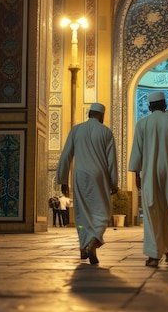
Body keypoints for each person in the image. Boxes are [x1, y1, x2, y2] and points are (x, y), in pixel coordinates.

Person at [129, 91, 168, 267]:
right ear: (165, 105)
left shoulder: (142, 124)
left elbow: (137, 153)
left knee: (152, 210)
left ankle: (154, 255)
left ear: (149, 107)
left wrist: (136, 176)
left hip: (149, 173)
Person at [57, 103, 118, 264]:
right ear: (101, 116)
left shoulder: (76, 130)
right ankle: (92, 243)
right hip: (100, 176)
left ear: (89, 114)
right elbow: (111, 161)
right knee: (102, 213)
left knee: (82, 214)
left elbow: (66, 156)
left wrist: (63, 180)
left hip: (80, 175)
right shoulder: (106, 132)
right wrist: (114, 182)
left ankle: (84, 247)